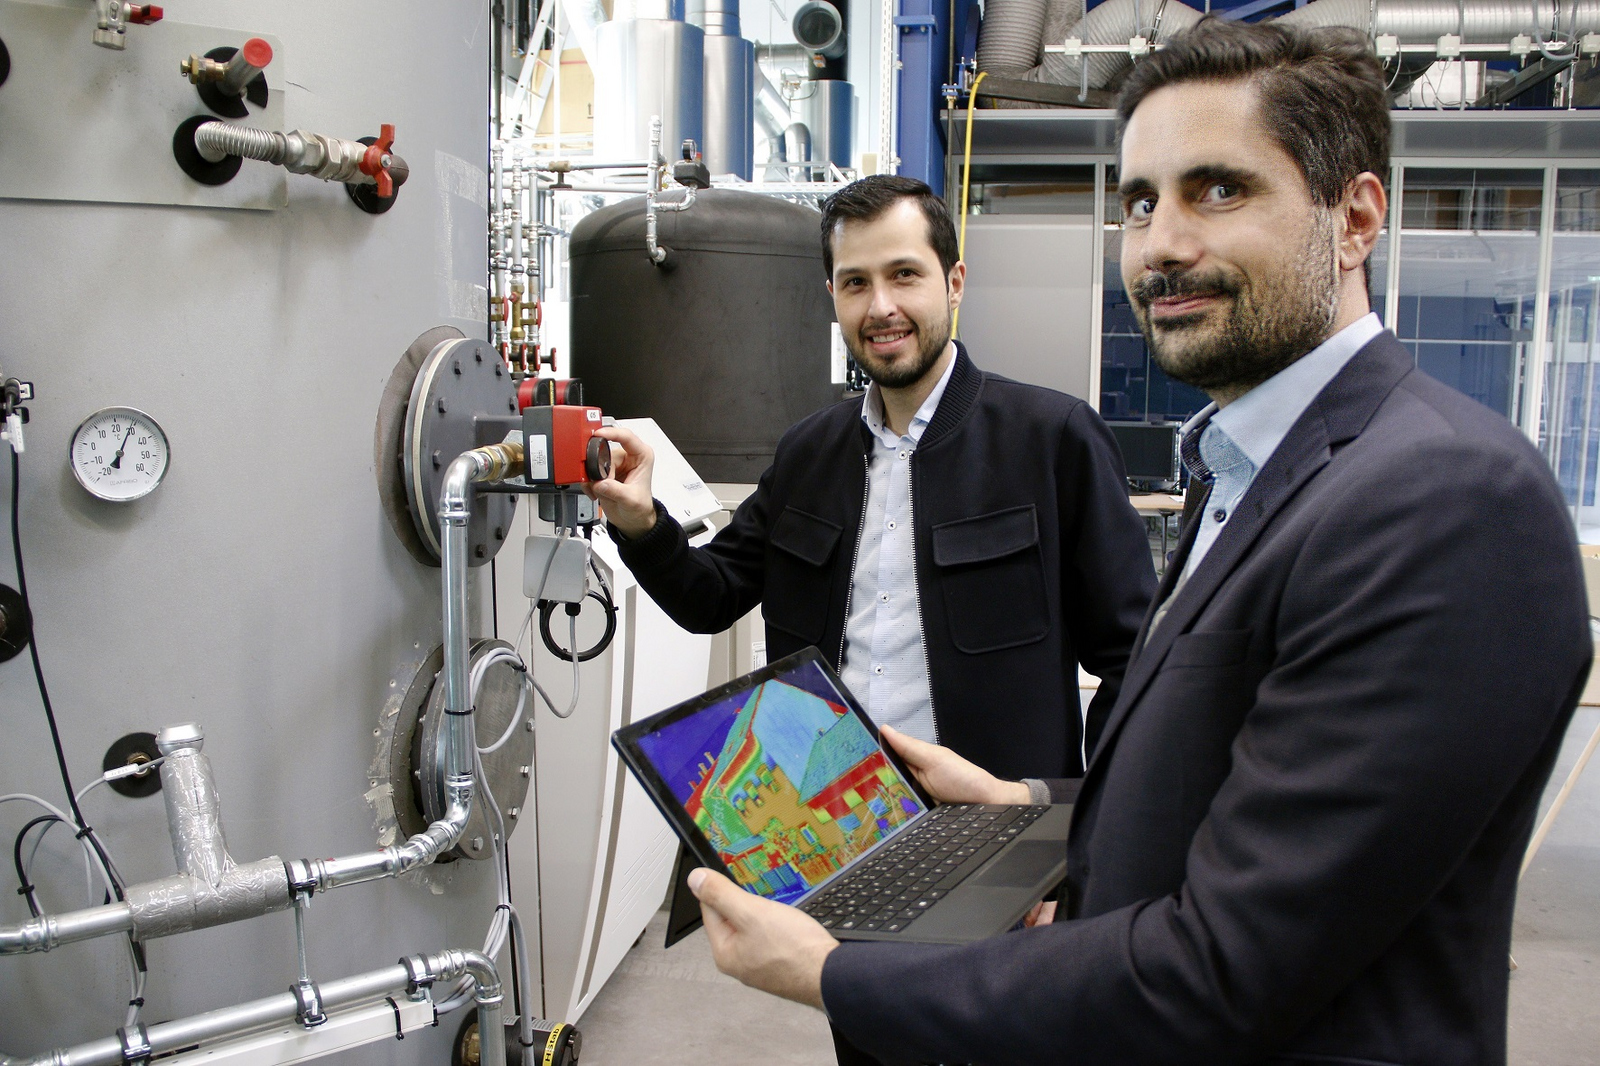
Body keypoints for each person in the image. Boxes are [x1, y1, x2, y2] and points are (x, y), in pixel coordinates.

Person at [676, 19, 1594, 1066]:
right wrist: (1034, 810)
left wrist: (827, 970)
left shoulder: (1439, 499)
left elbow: (1223, 965)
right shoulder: (1244, 473)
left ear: (1355, 218)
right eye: (1141, 202)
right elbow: (1233, 789)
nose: (1161, 244)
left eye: (1219, 190)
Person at [590, 176, 1155, 795]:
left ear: (954, 283)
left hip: (990, 827)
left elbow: (1136, 663)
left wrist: (1067, 828)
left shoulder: (1053, 440)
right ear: (832, 294)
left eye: (905, 274)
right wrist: (641, 523)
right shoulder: (808, 454)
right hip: (821, 823)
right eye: (856, 282)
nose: (881, 306)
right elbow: (711, 598)